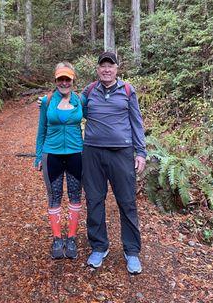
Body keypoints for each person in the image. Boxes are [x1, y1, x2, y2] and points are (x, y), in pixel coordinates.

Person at [81, 51, 146, 274]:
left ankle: (132, 251)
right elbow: (71, 111)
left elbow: (137, 122)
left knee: (127, 201)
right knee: (94, 200)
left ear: (117, 69)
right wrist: (48, 102)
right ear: (98, 69)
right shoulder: (89, 91)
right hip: (92, 153)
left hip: (122, 153)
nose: (106, 69)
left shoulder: (127, 91)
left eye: (111, 65)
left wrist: (140, 152)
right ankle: (99, 246)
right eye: (103, 66)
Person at [35, 62, 83, 260]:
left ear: (73, 81)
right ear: (55, 81)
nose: (64, 82)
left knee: (75, 195)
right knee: (54, 196)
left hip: (76, 153)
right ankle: (57, 239)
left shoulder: (81, 100)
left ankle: (71, 238)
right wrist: (38, 155)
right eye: (60, 79)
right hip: (51, 154)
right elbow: (41, 130)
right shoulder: (47, 101)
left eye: (67, 79)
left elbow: (95, 119)